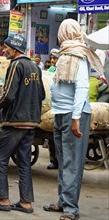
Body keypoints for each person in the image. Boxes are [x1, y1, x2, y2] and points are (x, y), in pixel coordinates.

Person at [43, 19, 104, 220]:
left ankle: (71, 209)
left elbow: (82, 88)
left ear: (65, 33)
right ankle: (62, 202)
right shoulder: (64, 55)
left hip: (74, 115)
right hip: (61, 113)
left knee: (72, 163)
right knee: (63, 161)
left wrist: (76, 118)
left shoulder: (78, 55)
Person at [0, 34, 45, 213]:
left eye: (6, 47)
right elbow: (41, 95)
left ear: (15, 49)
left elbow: (9, 94)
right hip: (31, 122)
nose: (4, 50)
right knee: (24, 162)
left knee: (0, 158)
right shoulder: (35, 66)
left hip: (15, 121)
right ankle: (26, 203)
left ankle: (3, 200)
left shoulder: (16, 65)